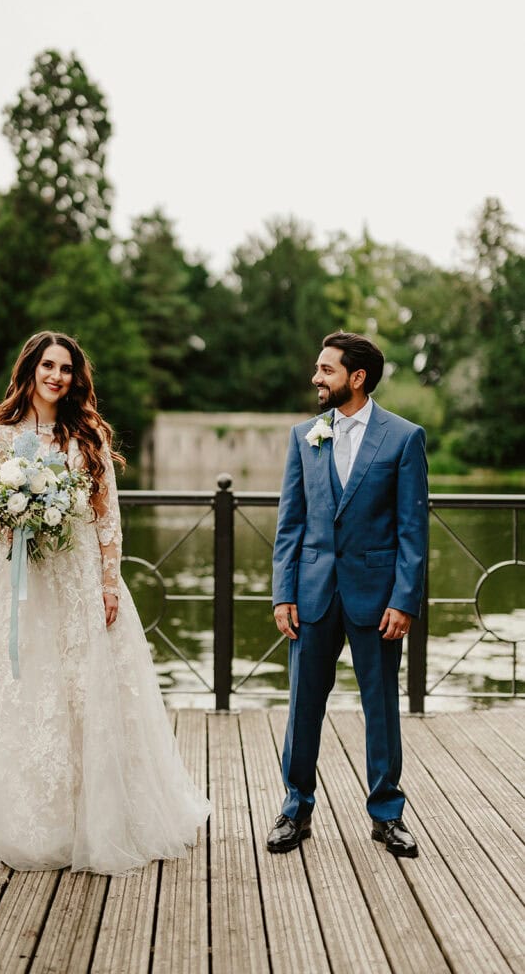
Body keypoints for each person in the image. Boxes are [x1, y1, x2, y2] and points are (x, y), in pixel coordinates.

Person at [0, 331, 209, 874]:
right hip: (20, 582)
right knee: (24, 687)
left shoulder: (88, 435)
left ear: (76, 378)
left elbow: (107, 516)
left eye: (66, 369)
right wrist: (15, 519)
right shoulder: (0, 442)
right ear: (29, 370)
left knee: (84, 689)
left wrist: (106, 581)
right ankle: (22, 813)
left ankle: (94, 814)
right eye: (48, 366)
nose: (57, 376)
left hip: (76, 576)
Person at [267, 331, 428, 859]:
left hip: (376, 596)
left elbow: (411, 531)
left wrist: (404, 600)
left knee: (380, 706)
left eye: (326, 370)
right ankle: (295, 808)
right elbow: (290, 522)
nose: (316, 378)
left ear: (356, 378)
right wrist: (282, 593)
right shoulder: (304, 436)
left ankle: (387, 814)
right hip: (312, 593)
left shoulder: (404, 439)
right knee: (302, 704)